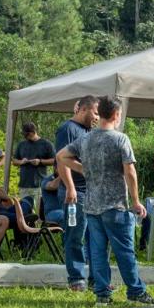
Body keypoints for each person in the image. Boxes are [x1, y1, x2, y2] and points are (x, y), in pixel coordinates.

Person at [58, 95, 154, 307]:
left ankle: (102, 294)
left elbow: (61, 156)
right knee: (125, 251)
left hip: (92, 205)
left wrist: (84, 170)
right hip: (116, 205)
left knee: (97, 252)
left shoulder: (86, 138)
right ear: (115, 115)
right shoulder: (120, 139)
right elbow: (130, 172)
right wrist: (136, 200)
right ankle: (136, 290)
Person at [54, 95, 99, 292]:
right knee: (75, 235)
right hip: (75, 193)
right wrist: (70, 187)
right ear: (83, 110)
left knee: (94, 236)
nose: (97, 117)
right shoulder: (68, 129)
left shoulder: (90, 131)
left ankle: (95, 278)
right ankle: (76, 278)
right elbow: (62, 160)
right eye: (95, 112)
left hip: (92, 192)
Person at [12, 122, 54, 211]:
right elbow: (14, 161)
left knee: (38, 211)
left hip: (39, 183)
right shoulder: (21, 144)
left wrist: (40, 161)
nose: (25, 136)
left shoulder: (46, 144)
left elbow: (54, 160)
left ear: (33, 132)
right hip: (24, 184)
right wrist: (21, 162)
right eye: (24, 134)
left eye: (27, 134)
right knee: (25, 210)